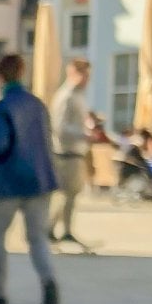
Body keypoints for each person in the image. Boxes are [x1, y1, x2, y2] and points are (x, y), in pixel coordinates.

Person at [0, 53, 60, 304]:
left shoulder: (2, 107)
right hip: (39, 180)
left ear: (0, 77)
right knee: (37, 239)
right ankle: (48, 280)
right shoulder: (38, 105)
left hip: (8, 182)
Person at [49, 59, 90, 245]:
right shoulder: (65, 96)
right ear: (74, 73)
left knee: (70, 193)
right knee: (64, 193)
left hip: (75, 151)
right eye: (85, 74)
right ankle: (51, 229)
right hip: (65, 152)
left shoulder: (78, 96)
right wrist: (83, 134)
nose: (88, 79)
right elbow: (59, 126)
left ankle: (62, 230)